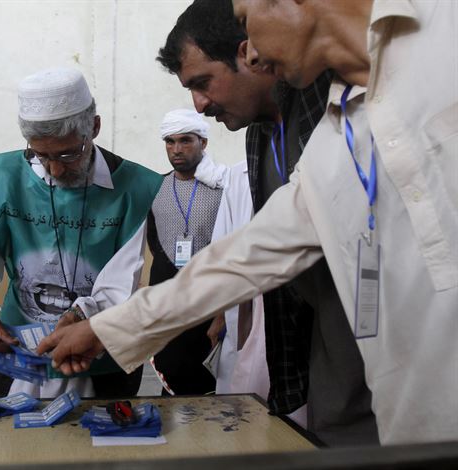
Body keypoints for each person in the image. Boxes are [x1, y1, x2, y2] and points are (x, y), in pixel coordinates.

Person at [38, 0, 457, 444]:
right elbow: (246, 257)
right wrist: (108, 328)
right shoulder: (339, 129)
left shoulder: (443, 31)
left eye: (244, 21)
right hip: (416, 422)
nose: (251, 55)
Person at [155, 0, 377, 445]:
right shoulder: (261, 133)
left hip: (391, 337)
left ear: (248, 52)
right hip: (322, 353)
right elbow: (270, 247)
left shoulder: (347, 103)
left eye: (202, 83)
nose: (200, 106)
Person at [0, 67, 162, 399]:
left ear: (95, 128)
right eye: (41, 155)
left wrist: (83, 314)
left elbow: (122, 281)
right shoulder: (2, 181)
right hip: (19, 352)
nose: (55, 169)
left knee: (104, 445)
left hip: (99, 355)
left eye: (68, 154)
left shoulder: (136, 189)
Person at [147, 108, 227, 395]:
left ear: (203, 142)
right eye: (170, 142)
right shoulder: (155, 187)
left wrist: (223, 312)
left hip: (210, 301)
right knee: (170, 378)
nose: (176, 150)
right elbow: (155, 242)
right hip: (167, 300)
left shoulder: (223, 187)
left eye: (185, 141)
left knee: (207, 384)